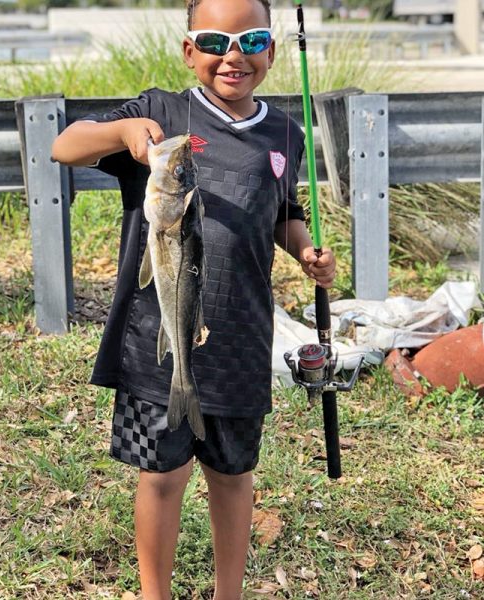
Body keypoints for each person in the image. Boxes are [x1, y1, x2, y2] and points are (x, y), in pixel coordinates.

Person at [52, 0, 336, 598]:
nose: (233, 55)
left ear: (272, 52)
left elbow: (282, 211)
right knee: (162, 476)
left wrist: (305, 248)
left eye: (251, 39)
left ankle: (226, 593)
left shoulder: (286, 132)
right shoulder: (161, 113)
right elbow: (67, 146)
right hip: (156, 340)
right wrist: (124, 131)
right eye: (214, 40)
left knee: (234, 476)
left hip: (242, 336)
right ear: (189, 51)